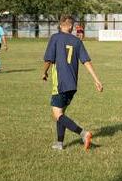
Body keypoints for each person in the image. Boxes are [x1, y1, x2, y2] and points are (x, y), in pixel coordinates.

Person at [42, 15, 103, 150]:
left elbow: (48, 59)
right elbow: (86, 61)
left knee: (57, 114)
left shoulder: (55, 38)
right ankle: (59, 143)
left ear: (61, 25)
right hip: (72, 84)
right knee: (61, 113)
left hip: (60, 82)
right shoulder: (76, 41)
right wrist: (96, 80)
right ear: (69, 26)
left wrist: (44, 72)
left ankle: (83, 133)